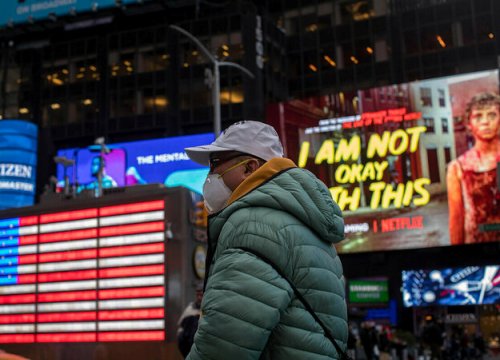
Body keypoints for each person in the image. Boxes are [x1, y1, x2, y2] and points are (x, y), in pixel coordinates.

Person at [184, 120, 347, 359]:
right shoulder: (299, 221)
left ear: (250, 167)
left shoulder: (253, 226)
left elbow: (222, 346)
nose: (211, 175)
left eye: (216, 163)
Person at [447, 92, 500, 245]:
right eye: (478, 116)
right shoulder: (458, 167)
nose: (485, 122)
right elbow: (456, 221)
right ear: (469, 124)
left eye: (492, 115)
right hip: (476, 249)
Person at [177, 284, 204, 358]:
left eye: (201, 295)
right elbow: (181, 326)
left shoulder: (209, 307)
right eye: (198, 295)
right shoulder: (190, 308)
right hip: (189, 346)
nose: (199, 298)